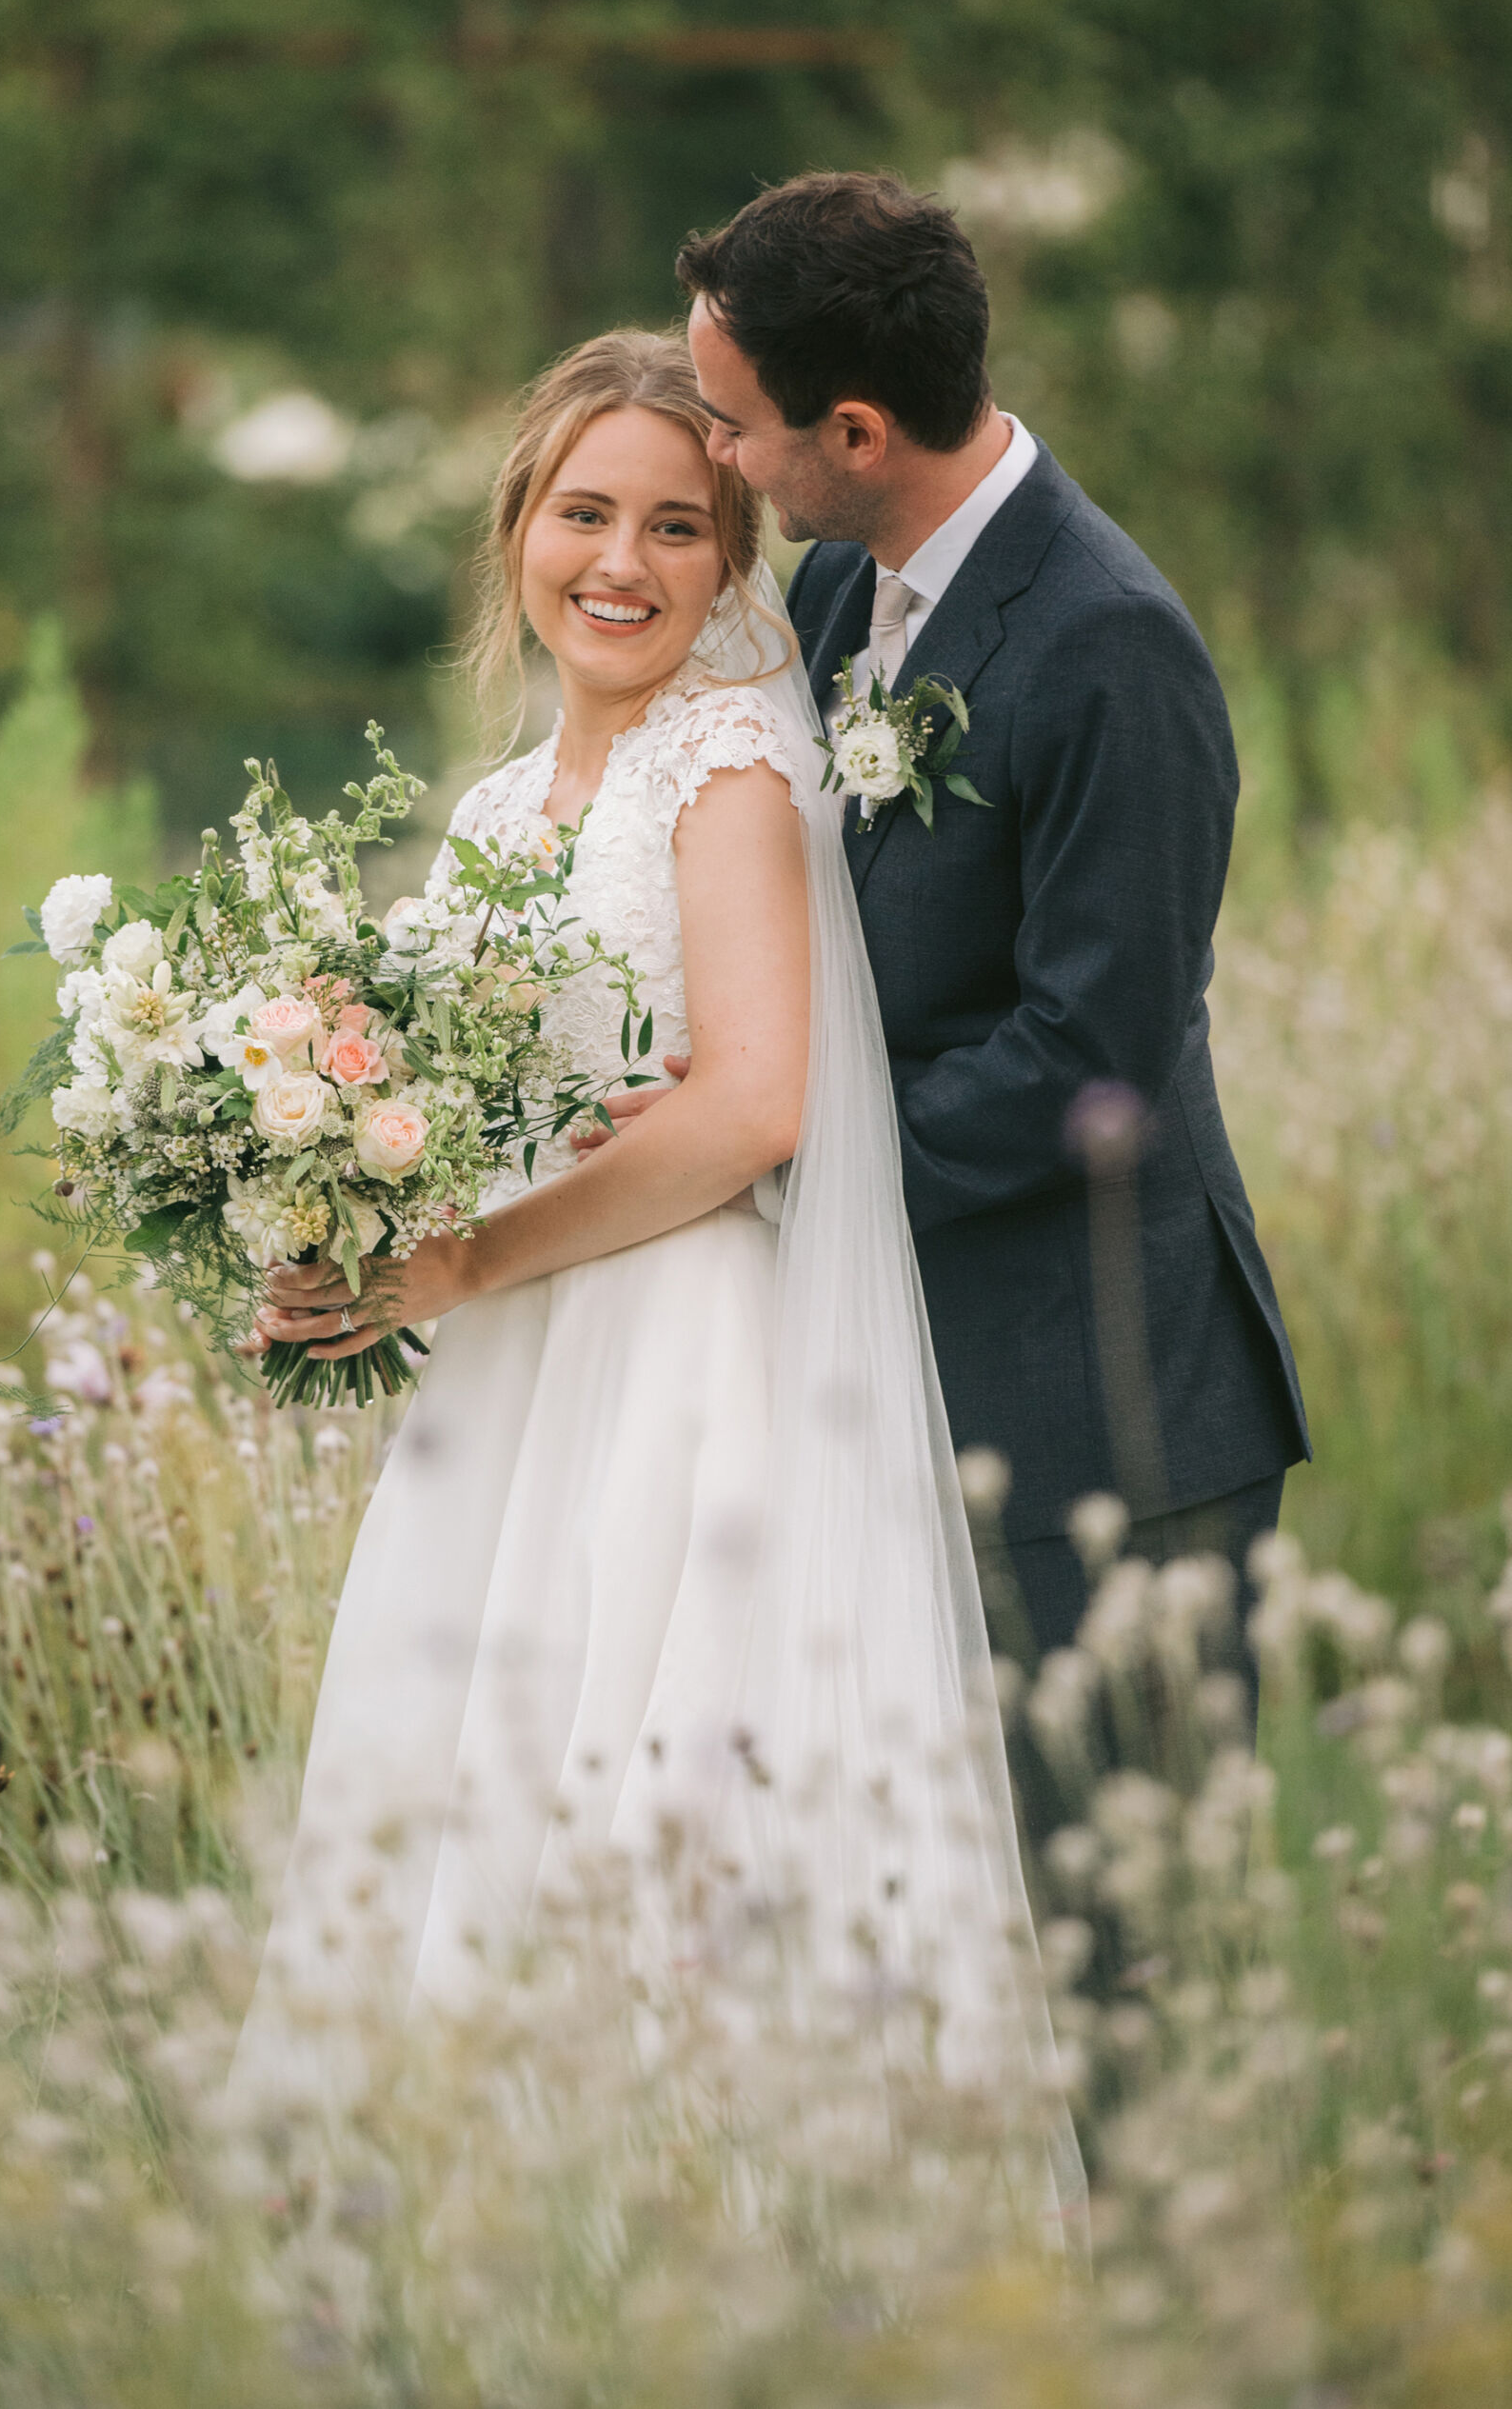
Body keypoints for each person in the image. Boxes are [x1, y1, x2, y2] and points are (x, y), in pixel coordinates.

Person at [236, 330, 1083, 2231]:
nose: (620, 561)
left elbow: (754, 1106)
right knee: (475, 1822)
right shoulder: (491, 810)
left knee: (661, 1840)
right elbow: (447, 1118)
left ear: (728, 563)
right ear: (519, 527)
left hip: (684, 1368)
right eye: (584, 511)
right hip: (509, 1388)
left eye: (677, 526)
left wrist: (465, 1256)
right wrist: (331, 1237)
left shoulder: (728, 767)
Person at [658, 170, 1309, 1719]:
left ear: (859, 433)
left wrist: (776, 1157)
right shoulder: (838, 585)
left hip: (1101, 1410)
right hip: (904, 1367)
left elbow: (1091, 1060)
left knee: (1107, 1944)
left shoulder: (1110, 647)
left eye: (735, 424)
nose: (715, 453)